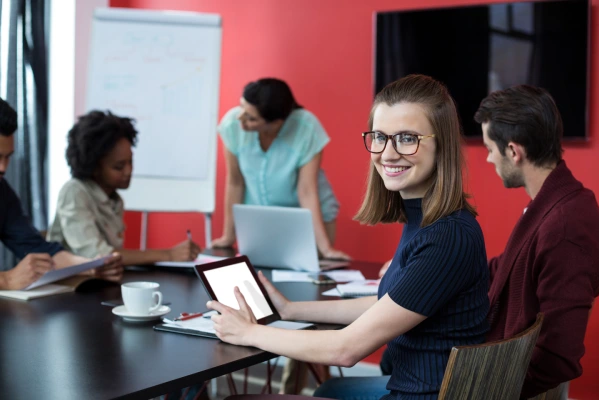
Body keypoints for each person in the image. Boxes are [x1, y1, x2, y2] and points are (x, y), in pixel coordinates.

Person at [206, 74, 490, 400]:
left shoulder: (447, 236)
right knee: (330, 388)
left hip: (421, 394)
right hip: (413, 384)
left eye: (407, 138)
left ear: (442, 143)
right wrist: (289, 309)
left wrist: (250, 332)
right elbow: (389, 303)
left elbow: (346, 349)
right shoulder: (426, 218)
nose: (388, 153)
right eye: (380, 137)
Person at [474, 85, 599, 398]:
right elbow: (502, 268)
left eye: (490, 148)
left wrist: (488, 387)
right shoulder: (550, 203)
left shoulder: (565, 225)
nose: (489, 158)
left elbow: (557, 358)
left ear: (514, 152)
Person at [211, 78, 349, 261]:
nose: (240, 118)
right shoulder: (232, 125)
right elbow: (235, 182)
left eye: (251, 118)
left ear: (276, 123)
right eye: (242, 107)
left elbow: (307, 190)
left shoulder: (306, 128)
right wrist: (228, 236)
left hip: (307, 219)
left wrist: (326, 248)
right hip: (260, 218)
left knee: (309, 274)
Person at [47, 110, 201, 265]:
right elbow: (99, 256)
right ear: (95, 168)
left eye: (131, 162)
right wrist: (168, 254)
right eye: (119, 166)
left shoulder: (115, 199)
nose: (128, 171)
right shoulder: (74, 192)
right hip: (68, 285)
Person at [0, 98, 122, 290]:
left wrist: (89, 267)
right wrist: (6, 280)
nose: (3, 167)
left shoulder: (3, 193)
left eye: (7, 157)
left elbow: (43, 252)